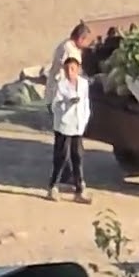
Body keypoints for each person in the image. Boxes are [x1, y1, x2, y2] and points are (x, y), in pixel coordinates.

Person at [48, 56, 92, 203]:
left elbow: (85, 103)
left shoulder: (84, 84)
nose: (70, 72)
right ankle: (53, 186)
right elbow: (55, 105)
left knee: (77, 157)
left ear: (78, 69)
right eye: (67, 69)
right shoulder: (61, 85)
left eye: (72, 69)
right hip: (64, 125)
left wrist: (84, 120)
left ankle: (80, 189)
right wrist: (67, 103)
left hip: (78, 126)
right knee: (61, 157)